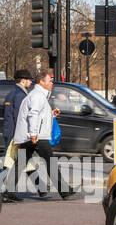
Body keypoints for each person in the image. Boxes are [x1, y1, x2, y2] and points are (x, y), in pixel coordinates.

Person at [16, 69, 73, 199]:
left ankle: (6, 192)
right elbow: (33, 114)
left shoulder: (39, 95)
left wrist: (51, 114)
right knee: (50, 161)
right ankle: (64, 190)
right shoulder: (37, 96)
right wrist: (33, 134)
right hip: (37, 136)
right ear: (41, 81)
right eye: (50, 80)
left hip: (31, 135)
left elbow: (39, 115)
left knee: (20, 163)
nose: (52, 83)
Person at [2, 70, 34, 202]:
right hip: (16, 133)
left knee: (18, 161)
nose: (31, 82)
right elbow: (19, 117)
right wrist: (21, 136)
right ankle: (6, 191)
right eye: (29, 79)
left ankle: (41, 187)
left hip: (9, 131)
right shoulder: (20, 95)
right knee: (11, 163)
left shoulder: (11, 93)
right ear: (22, 80)